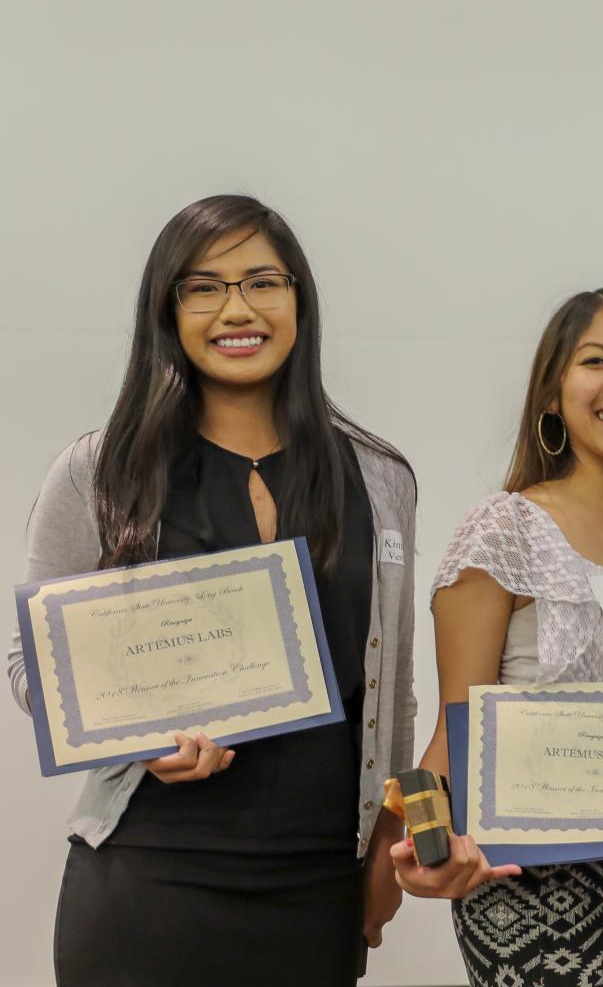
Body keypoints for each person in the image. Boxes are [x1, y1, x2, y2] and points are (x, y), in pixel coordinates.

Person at [10, 195, 417, 984]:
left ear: (299, 298)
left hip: (317, 889)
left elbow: (392, 691)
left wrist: (385, 852)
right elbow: (35, 672)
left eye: (263, 281)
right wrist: (140, 738)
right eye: (204, 287)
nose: (237, 308)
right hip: (147, 881)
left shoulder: (380, 477)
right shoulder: (99, 471)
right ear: (168, 310)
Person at [388, 288, 603, 986]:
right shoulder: (504, 529)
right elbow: (455, 728)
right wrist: (418, 844)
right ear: (552, 395)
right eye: (594, 361)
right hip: (518, 893)